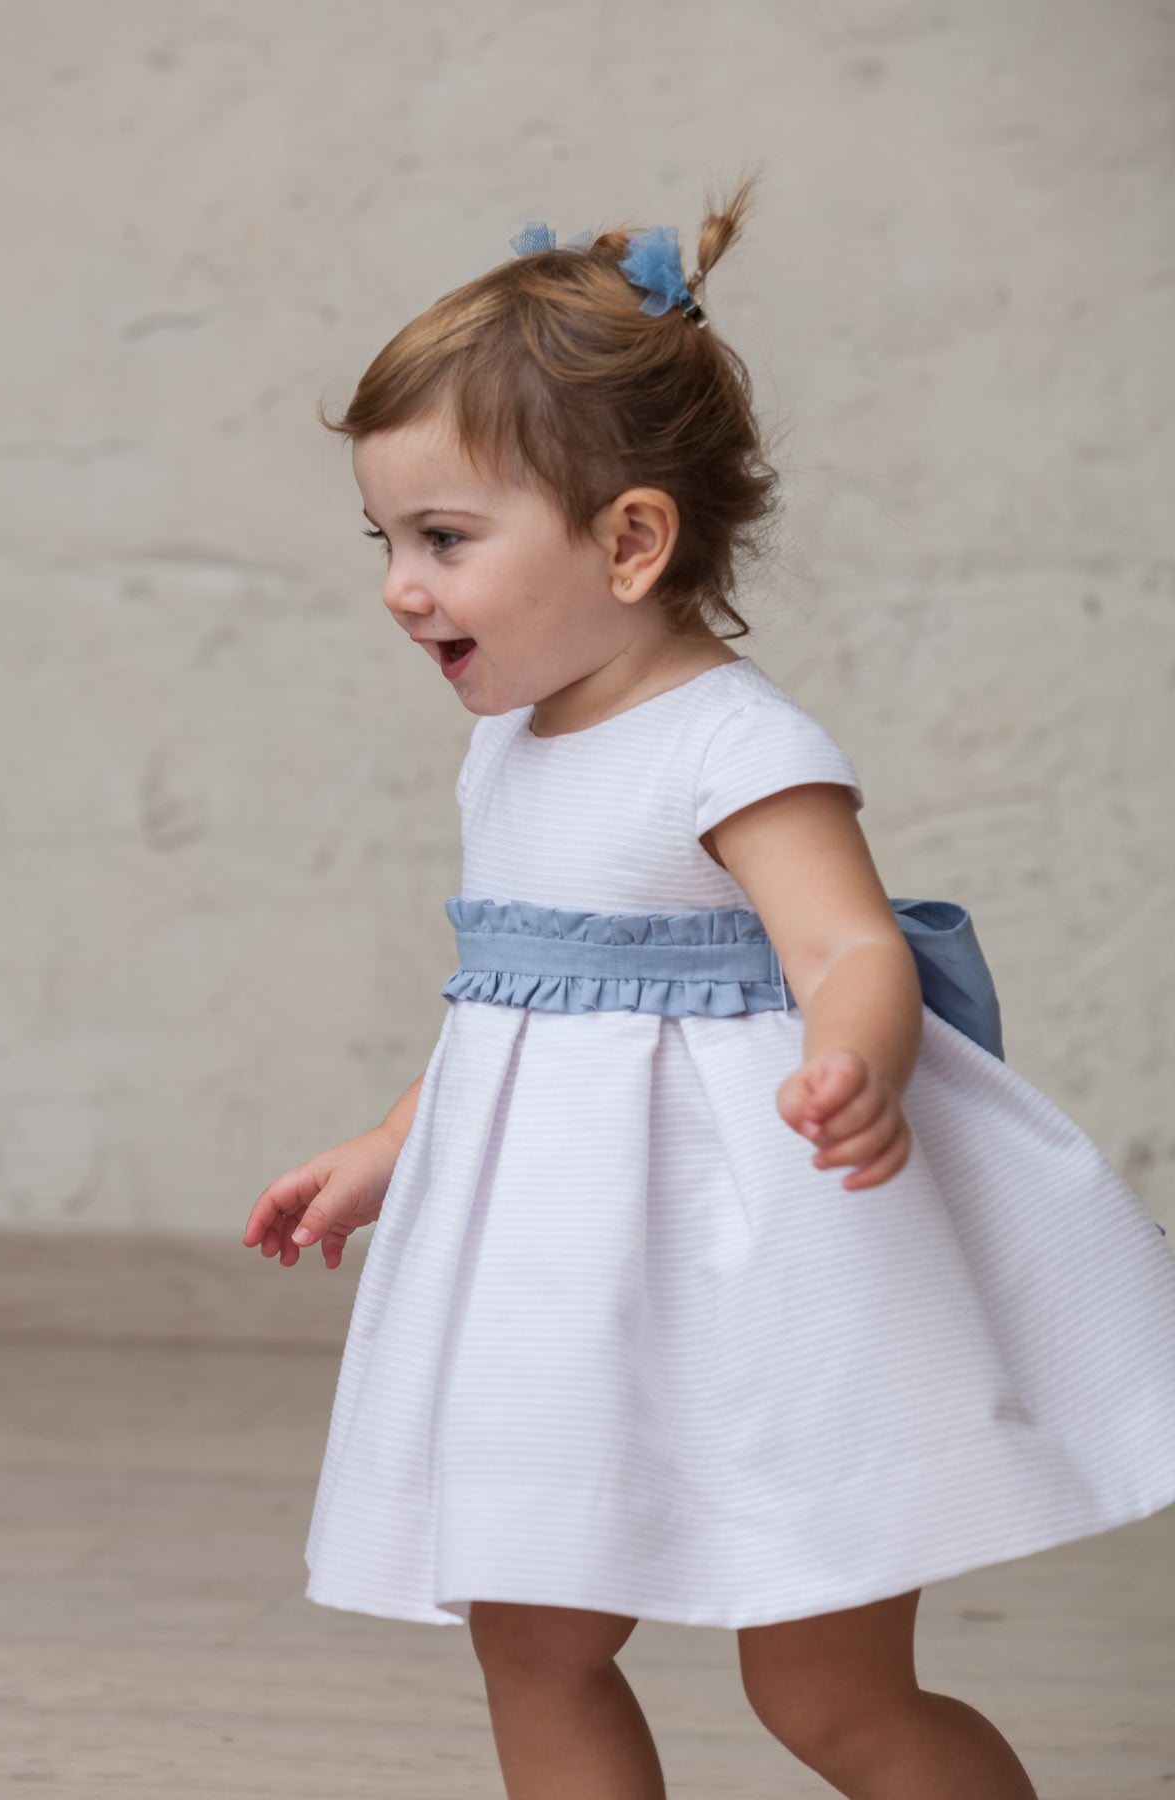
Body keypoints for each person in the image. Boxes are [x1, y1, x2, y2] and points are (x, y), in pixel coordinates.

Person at [242, 178, 1175, 1800]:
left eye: (444, 539)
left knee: (823, 1687)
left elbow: (854, 948)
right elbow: (512, 1001)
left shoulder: (734, 742)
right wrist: (393, 1148)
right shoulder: (507, 750)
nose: (401, 582)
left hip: (770, 1262)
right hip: (558, 1281)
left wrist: (857, 1063)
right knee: (531, 1635)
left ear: (631, 540)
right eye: (386, 540)